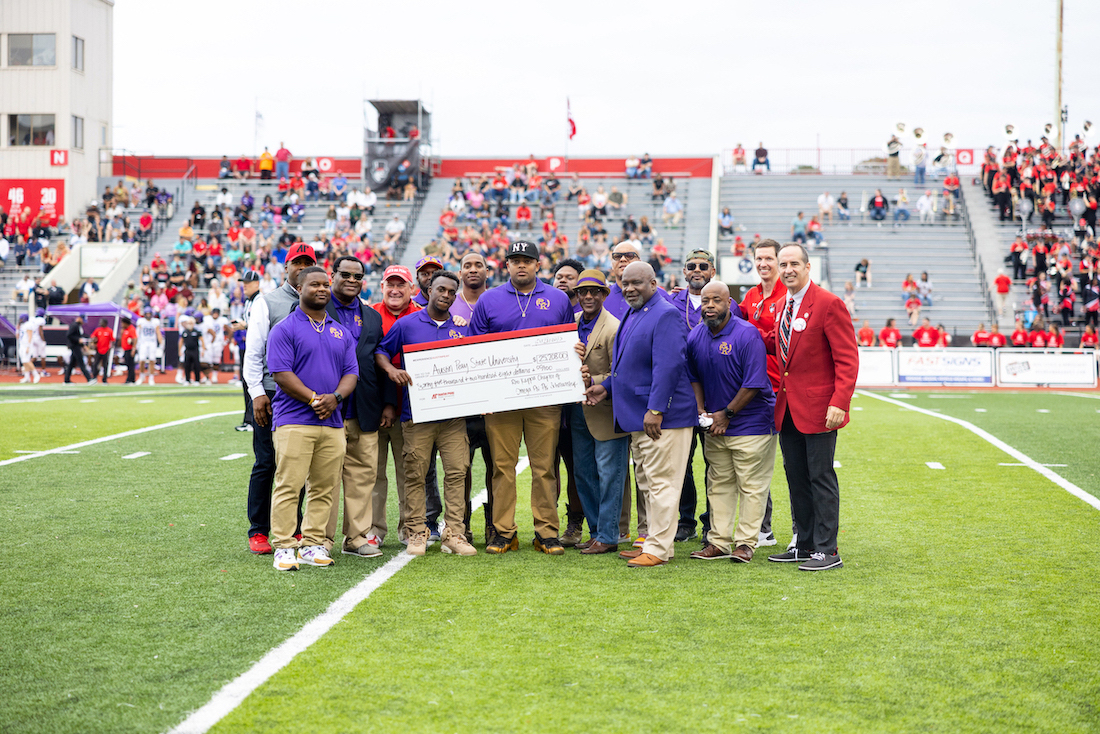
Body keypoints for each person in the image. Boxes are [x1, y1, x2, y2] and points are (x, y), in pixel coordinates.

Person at [585, 262, 697, 568]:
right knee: (649, 483)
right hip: (637, 416)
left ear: (653, 283)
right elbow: (629, 366)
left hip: (662, 418)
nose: (630, 288)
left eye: (637, 282)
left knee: (662, 484)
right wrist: (605, 387)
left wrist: (656, 408)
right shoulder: (635, 313)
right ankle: (655, 542)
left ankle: (659, 549)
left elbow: (669, 366)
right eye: (625, 282)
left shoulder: (666, 314)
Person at [468, 240, 575, 555]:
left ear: (538, 264)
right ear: (506, 266)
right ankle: (504, 532)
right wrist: (483, 397)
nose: (521, 265)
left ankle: (546, 532)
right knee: (503, 466)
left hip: (544, 398)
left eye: (527, 260)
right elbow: (476, 350)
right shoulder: (489, 300)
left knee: (544, 467)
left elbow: (567, 343)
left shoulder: (557, 299)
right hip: (502, 401)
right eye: (515, 260)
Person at [765, 244, 858, 571]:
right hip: (788, 408)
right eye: (783, 264)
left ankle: (827, 549)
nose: (788, 269)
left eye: (793, 263)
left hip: (821, 410)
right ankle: (804, 544)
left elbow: (847, 359)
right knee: (797, 477)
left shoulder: (829, 304)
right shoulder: (780, 306)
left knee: (820, 476)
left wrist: (840, 402)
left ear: (807, 267)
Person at [376, 270, 476, 557]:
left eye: (451, 292)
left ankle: (454, 533)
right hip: (416, 415)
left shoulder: (461, 328)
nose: (445, 295)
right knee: (415, 474)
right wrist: (392, 369)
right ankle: (417, 532)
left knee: (457, 472)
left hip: (453, 417)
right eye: (441, 289)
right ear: (428, 289)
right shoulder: (407, 324)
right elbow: (381, 351)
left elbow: (473, 364)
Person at [266, 266, 359, 571]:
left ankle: (312, 543)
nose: (321, 288)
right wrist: (313, 398)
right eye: (314, 284)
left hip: (332, 422)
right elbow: (281, 373)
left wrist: (336, 398)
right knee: (289, 485)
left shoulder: (340, 331)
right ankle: (283, 545)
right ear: (300, 287)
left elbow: (351, 373)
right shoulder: (285, 328)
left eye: (325, 284)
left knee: (325, 487)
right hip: (294, 419)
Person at [687, 281, 777, 563]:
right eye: (705, 301)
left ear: (729, 303)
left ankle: (746, 543)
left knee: (752, 485)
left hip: (751, 424)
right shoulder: (696, 335)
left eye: (716, 300)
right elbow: (694, 377)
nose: (710, 306)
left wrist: (726, 414)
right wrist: (702, 410)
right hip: (715, 425)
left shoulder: (747, 334)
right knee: (719, 484)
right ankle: (718, 542)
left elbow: (753, 384)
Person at [243, 243, 318, 555]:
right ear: (286, 267)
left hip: (305, 393)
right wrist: (257, 394)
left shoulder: (319, 299)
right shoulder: (267, 301)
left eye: (307, 262)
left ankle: (295, 527)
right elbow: (253, 351)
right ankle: (259, 529)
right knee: (267, 461)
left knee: (297, 464)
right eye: (295, 262)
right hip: (273, 393)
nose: (300, 267)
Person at [325, 255, 396, 559]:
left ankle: (355, 537)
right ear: (332, 276)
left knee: (363, 476)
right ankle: (321, 538)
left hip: (365, 407)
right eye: (346, 275)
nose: (352, 280)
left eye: (358, 276)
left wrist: (388, 402)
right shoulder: (315, 308)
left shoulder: (371, 316)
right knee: (324, 477)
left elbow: (379, 359)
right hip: (327, 408)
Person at [569, 270, 629, 554]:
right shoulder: (572, 323)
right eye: (583, 292)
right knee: (583, 474)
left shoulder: (614, 327)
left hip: (605, 410)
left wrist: (595, 380)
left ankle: (608, 535)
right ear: (577, 296)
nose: (588, 297)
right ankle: (596, 532)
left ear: (605, 295)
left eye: (595, 292)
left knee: (609, 475)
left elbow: (621, 372)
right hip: (577, 410)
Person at [738, 239, 787, 546]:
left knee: (793, 464)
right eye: (759, 258)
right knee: (755, 462)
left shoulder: (789, 294)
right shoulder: (752, 294)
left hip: (784, 389)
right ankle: (763, 529)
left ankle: (800, 531)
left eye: (769, 258)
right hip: (756, 390)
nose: (763, 263)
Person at [669, 249, 716, 541]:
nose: (696, 270)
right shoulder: (668, 300)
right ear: (684, 272)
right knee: (682, 461)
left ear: (712, 271)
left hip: (715, 395)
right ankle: (686, 520)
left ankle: (712, 521)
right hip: (681, 394)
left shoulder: (728, 303)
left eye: (703, 266)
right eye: (691, 266)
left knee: (716, 463)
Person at [135, 307, 162, 385]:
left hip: (152, 342)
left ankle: (151, 378)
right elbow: (137, 332)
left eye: (149, 314)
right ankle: (142, 376)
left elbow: (158, 332)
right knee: (142, 360)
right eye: (147, 314)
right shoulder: (141, 321)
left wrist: (161, 343)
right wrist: (136, 343)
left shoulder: (155, 322)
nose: (148, 315)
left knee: (152, 360)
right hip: (143, 342)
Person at [63, 315, 94, 383]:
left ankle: (66, 380)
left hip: (76, 345)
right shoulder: (74, 325)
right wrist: (78, 340)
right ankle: (89, 379)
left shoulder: (77, 325)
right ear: (80, 318)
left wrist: (83, 345)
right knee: (81, 362)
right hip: (74, 346)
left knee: (71, 364)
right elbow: (69, 335)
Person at [178, 315, 202, 384]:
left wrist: (203, 349)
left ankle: (197, 380)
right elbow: (181, 341)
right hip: (187, 350)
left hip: (195, 350)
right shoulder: (185, 332)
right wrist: (180, 350)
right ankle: (187, 379)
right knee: (187, 365)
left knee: (196, 365)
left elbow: (202, 340)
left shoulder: (196, 331)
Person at [90, 318, 115, 383]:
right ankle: (94, 377)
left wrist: (111, 347)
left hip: (106, 350)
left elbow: (112, 340)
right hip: (98, 349)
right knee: (95, 364)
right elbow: (92, 337)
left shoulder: (109, 331)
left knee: (105, 365)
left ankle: (104, 379)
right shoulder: (98, 330)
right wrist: (94, 341)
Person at [119, 316, 137, 384]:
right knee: (128, 365)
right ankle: (130, 379)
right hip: (125, 349)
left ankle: (131, 379)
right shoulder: (125, 330)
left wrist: (133, 349)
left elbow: (135, 339)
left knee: (130, 365)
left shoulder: (131, 329)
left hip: (130, 349)